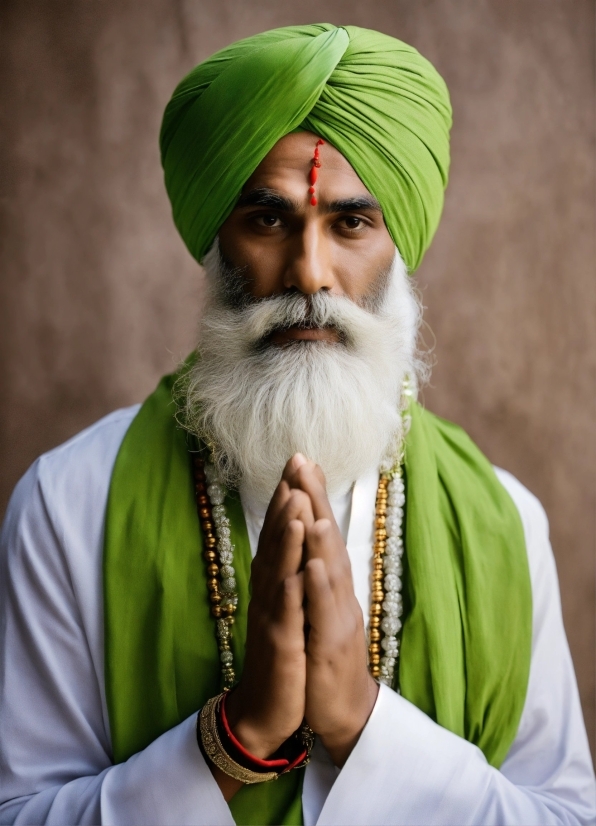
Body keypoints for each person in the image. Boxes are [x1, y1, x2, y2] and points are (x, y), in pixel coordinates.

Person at [0, 23, 594, 826]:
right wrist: (234, 739)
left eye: (351, 224)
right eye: (270, 220)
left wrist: (364, 724)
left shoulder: (505, 527)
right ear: (219, 241)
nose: (310, 272)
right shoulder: (69, 506)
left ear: (397, 250)